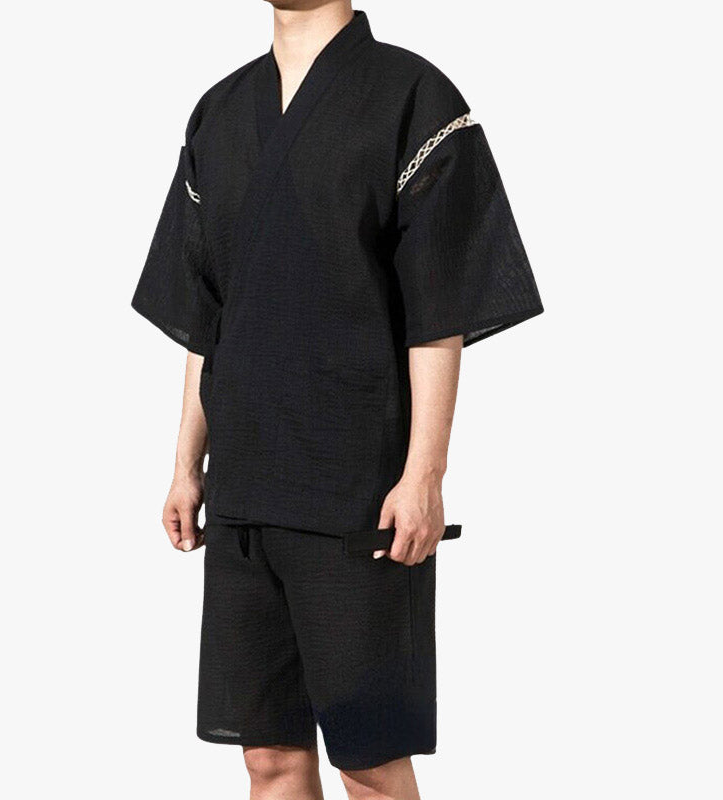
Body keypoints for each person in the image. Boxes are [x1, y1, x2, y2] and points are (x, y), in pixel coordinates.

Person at [132, 1, 542, 797]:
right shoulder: (220, 111)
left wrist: (425, 475)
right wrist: (186, 465)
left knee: (370, 761)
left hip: (358, 491)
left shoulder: (414, 97)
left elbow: (439, 310)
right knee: (268, 757)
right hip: (244, 486)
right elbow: (206, 312)